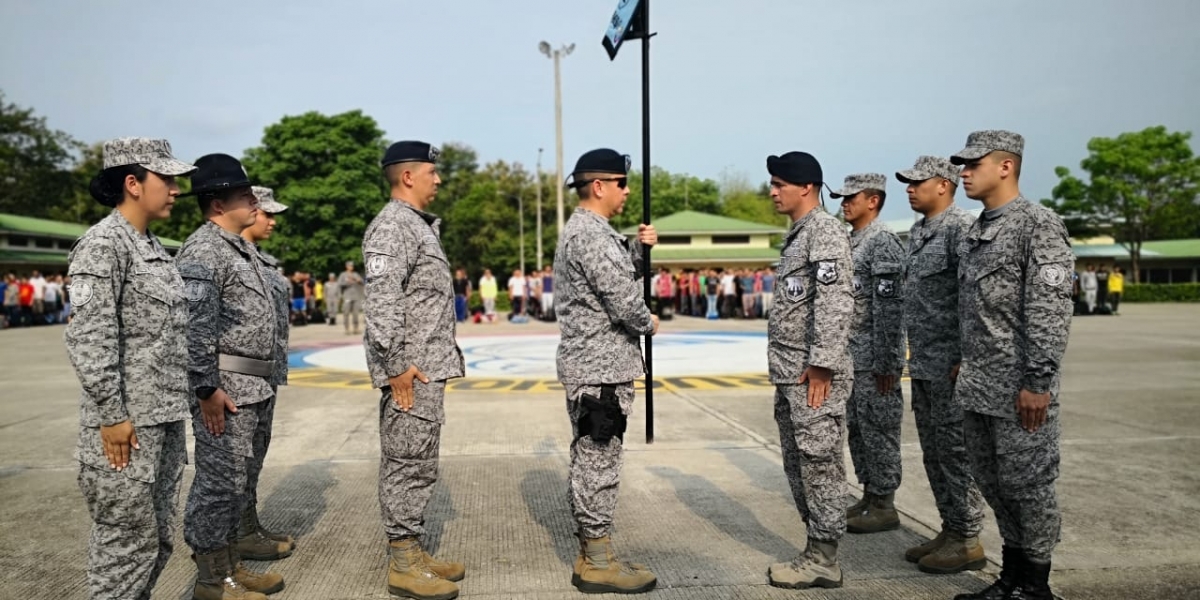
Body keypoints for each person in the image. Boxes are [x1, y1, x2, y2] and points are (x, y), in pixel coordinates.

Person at [64, 137, 196, 600]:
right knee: (124, 548)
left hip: (160, 421)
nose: (177, 189)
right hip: (125, 428)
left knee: (155, 541)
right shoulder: (103, 246)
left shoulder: (155, 250)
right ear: (133, 183)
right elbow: (88, 335)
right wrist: (111, 414)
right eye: (168, 178)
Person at [952, 130, 1073, 600]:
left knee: (1030, 486)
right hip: (980, 385)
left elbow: (1048, 311)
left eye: (972, 164)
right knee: (993, 483)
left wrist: (1037, 381)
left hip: (1020, 388)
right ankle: (1011, 579)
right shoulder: (975, 232)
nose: (963, 172)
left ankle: (1036, 586)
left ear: (1005, 166)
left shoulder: (1037, 226)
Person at [178, 153, 283, 599]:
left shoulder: (240, 249)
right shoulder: (204, 250)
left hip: (252, 384)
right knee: (218, 485)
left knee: (236, 481)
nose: (253, 203)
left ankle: (230, 565)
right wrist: (206, 389)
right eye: (244, 196)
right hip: (225, 389)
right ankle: (212, 579)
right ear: (218, 204)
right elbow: (195, 329)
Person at [363, 141, 465, 599]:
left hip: (426, 368)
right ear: (408, 177)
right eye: (432, 172)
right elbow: (382, 304)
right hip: (411, 373)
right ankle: (403, 562)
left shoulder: (417, 227)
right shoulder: (392, 228)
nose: (438, 179)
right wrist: (396, 366)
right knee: (406, 463)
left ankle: (414, 550)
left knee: (420, 462)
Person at [556, 148, 660, 594]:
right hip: (601, 370)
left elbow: (608, 280)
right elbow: (622, 301)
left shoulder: (593, 233)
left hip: (596, 365)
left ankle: (591, 551)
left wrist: (638, 250)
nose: (627, 191)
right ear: (599, 186)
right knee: (598, 462)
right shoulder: (591, 235)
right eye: (621, 183)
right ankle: (597, 561)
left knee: (593, 458)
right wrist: (648, 321)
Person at [764, 151, 853, 589]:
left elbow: (835, 303)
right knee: (800, 465)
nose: (772, 191)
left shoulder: (824, 231)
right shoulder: (800, 235)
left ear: (807, 187)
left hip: (812, 377)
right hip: (790, 374)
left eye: (780, 183)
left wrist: (822, 365)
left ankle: (824, 557)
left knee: (819, 464)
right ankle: (814, 548)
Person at [896, 156, 986, 573]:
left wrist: (968, 356)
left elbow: (974, 296)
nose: (910, 188)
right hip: (926, 364)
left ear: (945, 185)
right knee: (934, 453)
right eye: (907, 183)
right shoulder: (918, 232)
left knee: (955, 452)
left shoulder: (961, 228)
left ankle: (968, 538)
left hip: (951, 366)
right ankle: (951, 529)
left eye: (918, 182)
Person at [831, 173, 906, 535]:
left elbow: (889, 309)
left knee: (880, 430)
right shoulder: (851, 241)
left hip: (875, 361)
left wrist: (888, 362)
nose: (843, 203)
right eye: (841, 198)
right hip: (851, 358)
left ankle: (885, 502)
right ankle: (869, 493)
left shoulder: (883, 242)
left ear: (873, 200)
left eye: (851, 198)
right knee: (859, 431)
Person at [236, 186, 296, 562]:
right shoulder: (226, 258)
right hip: (237, 380)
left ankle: (247, 525)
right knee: (236, 463)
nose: (272, 221)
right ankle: (234, 534)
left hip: (264, 376)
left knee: (255, 456)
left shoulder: (263, 261)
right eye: (267, 213)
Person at [339, 261, 365, 334]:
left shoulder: (355, 274)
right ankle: (347, 329)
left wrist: (358, 280)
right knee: (346, 313)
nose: (351, 267)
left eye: (352, 266)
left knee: (355, 313)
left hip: (356, 296)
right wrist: (348, 282)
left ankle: (356, 328)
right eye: (350, 266)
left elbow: (362, 282)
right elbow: (340, 284)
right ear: (346, 266)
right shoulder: (343, 275)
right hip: (347, 296)